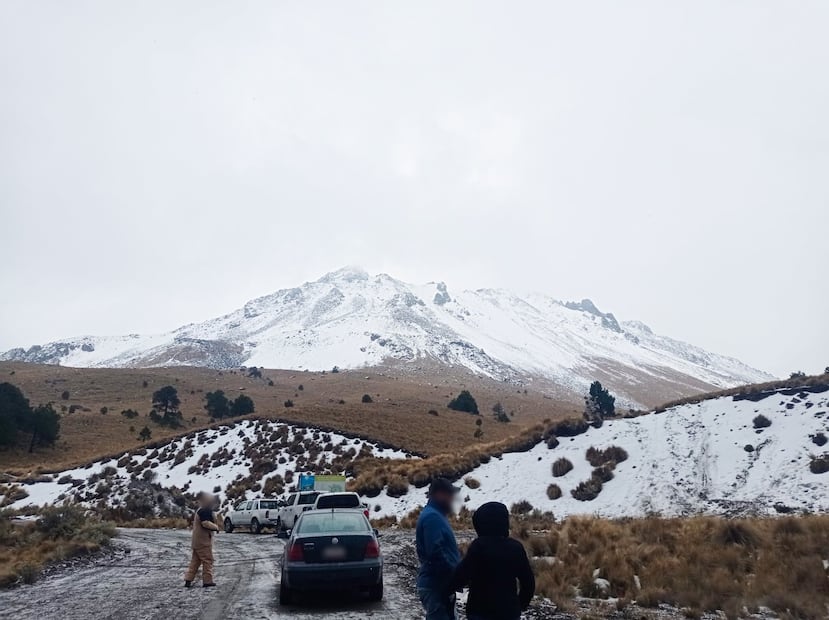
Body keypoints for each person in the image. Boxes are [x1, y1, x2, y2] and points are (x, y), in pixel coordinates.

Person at [452, 501, 535, 620]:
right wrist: (520, 604)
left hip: (480, 610)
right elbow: (528, 582)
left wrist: (447, 589)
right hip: (508, 611)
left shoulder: (478, 546)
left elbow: (462, 575)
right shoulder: (516, 548)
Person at [416, 478, 461, 619]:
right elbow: (435, 553)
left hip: (438, 584)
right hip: (436, 585)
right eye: (450, 494)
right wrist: (454, 575)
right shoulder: (432, 517)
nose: (452, 498)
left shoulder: (435, 515)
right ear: (440, 494)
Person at [184, 492, 219, 588]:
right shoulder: (205, 510)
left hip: (196, 542)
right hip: (203, 541)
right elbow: (205, 523)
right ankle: (207, 581)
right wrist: (216, 527)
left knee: (195, 562)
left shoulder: (200, 510)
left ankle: (188, 579)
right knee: (208, 560)